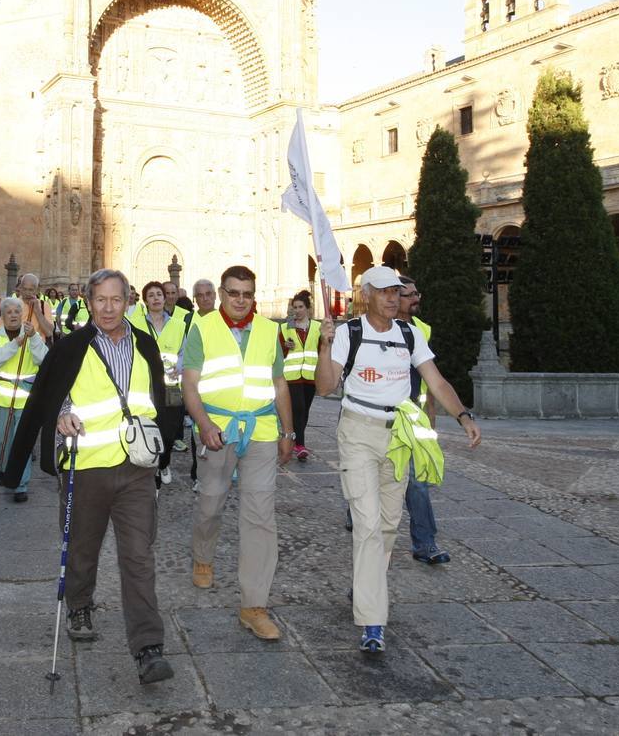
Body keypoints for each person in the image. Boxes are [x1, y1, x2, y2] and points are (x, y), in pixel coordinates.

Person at [2, 268, 174, 685]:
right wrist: (61, 416)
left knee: (139, 557)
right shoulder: (72, 347)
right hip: (87, 467)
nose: (109, 307)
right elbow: (49, 396)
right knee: (82, 549)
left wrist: (163, 452)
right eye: (101, 300)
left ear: (128, 300)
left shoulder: (145, 344)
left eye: (117, 299)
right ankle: (79, 604)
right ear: (89, 302)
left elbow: (160, 399)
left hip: (135, 469)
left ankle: (148, 647)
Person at [315, 265, 481, 653]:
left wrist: (463, 415)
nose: (393, 297)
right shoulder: (348, 333)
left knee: (388, 526)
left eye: (397, 291)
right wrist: (323, 347)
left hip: (399, 437)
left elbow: (436, 380)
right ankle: (373, 621)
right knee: (369, 524)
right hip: (357, 433)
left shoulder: (409, 334)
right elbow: (325, 387)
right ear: (366, 296)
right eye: (385, 292)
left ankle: (367, 582)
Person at [184, 265, 295, 641]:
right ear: (221, 293)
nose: (240, 300)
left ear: (254, 295)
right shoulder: (202, 328)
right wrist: (203, 424)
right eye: (233, 293)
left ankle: (254, 605)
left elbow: (279, 383)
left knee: (261, 516)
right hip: (218, 430)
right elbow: (190, 385)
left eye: (247, 294)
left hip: (261, 431)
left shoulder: (269, 330)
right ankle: (203, 555)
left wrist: (288, 431)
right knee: (211, 503)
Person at [397, 276, 450, 564]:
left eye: (418, 293)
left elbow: (430, 377)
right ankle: (356, 511)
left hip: (415, 418)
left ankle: (425, 543)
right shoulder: (378, 329)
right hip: (384, 418)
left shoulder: (422, 329)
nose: (416, 299)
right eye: (409, 295)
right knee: (379, 481)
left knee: (418, 481)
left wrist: (431, 418)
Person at [0, 296, 48, 502]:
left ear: (22, 314)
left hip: (26, 398)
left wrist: (34, 338)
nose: (13, 315)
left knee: (22, 442)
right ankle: (5, 469)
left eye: (16, 312)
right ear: (2, 315)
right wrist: (15, 344)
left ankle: (20, 483)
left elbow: (43, 359)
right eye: (9, 312)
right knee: (4, 440)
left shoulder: (32, 335)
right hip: (2, 398)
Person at [128, 280, 193, 487]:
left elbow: (184, 352)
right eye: (151, 295)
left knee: (168, 433)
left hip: (171, 386)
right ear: (145, 300)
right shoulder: (135, 324)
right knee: (148, 428)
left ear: (165, 299)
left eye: (159, 294)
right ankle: (152, 473)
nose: (156, 298)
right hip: (145, 387)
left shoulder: (178, 325)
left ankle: (163, 463)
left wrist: (180, 366)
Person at [279, 290, 321, 463]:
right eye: (294, 307)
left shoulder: (318, 327)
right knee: (299, 408)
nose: (297, 310)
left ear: (308, 309)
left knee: (304, 412)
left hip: (311, 376)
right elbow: (278, 353)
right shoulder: (285, 327)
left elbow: (322, 350)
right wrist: (285, 346)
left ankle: (295, 439)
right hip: (291, 376)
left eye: (300, 307)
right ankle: (300, 446)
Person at [16, 273, 55, 340]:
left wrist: (37, 310)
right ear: (20, 288)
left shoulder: (44, 305)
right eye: (25, 289)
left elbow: (49, 333)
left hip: (37, 348)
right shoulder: (12, 304)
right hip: (17, 347)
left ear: (37, 290)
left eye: (31, 290)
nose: (27, 293)